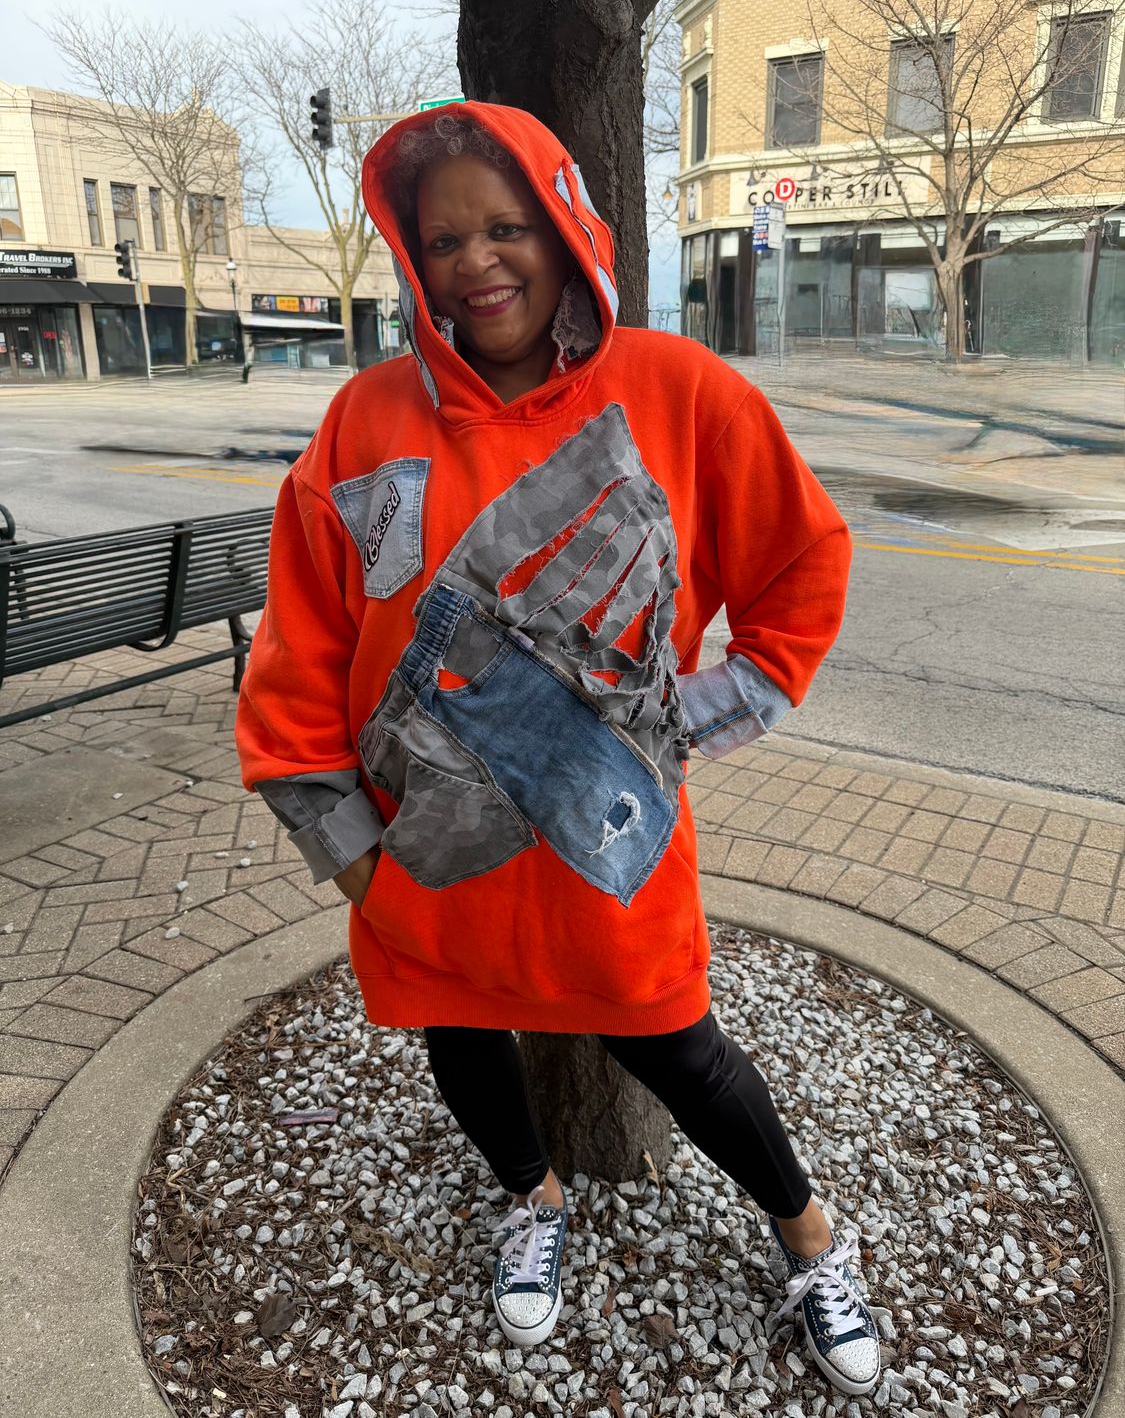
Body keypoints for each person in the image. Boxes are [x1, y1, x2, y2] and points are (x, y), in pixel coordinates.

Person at [236, 102, 880, 1398]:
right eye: (443, 238)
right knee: (458, 1028)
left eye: (504, 225)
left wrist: (697, 716)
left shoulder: (678, 390)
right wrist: (350, 852)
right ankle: (529, 1196)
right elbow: (300, 642)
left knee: (674, 1041)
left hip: (609, 852)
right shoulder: (364, 420)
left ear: (563, 222)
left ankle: (811, 1236)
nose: (476, 259)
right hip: (420, 850)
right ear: (411, 261)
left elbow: (801, 568)